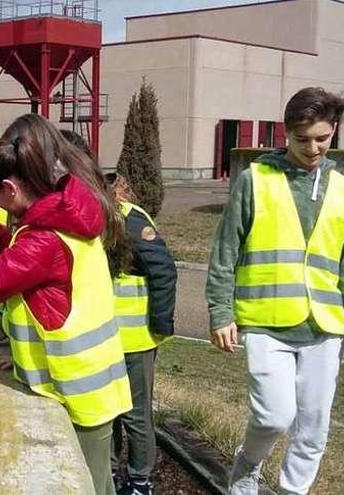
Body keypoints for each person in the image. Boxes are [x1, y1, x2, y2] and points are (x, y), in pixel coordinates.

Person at [0, 114, 132, 495]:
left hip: (75, 389)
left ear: (9, 187)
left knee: (91, 485)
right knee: (97, 480)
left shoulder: (44, 239)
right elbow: (24, 274)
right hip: (88, 383)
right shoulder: (62, 213)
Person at [206, 87, 344, 495]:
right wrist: (220, 312)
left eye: (323, 138)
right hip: (265, 322)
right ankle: (248, 463)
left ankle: (291, 491)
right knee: (274, 417)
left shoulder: (341, 189)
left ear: (333, 130)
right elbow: (225, 251)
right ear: (286, 134)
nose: (314, 147)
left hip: (325, 325)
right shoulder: (255, 181)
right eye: (303, 139)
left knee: (314, 427)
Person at [104, 173, 177, 495]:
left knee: (135, 414)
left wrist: (160, 326)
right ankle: (110, 476)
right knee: (108, 412)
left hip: (134, 339)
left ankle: (139, 480)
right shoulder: (104, 217)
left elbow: (163, 270)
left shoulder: (131, 219)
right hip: (105, 337)